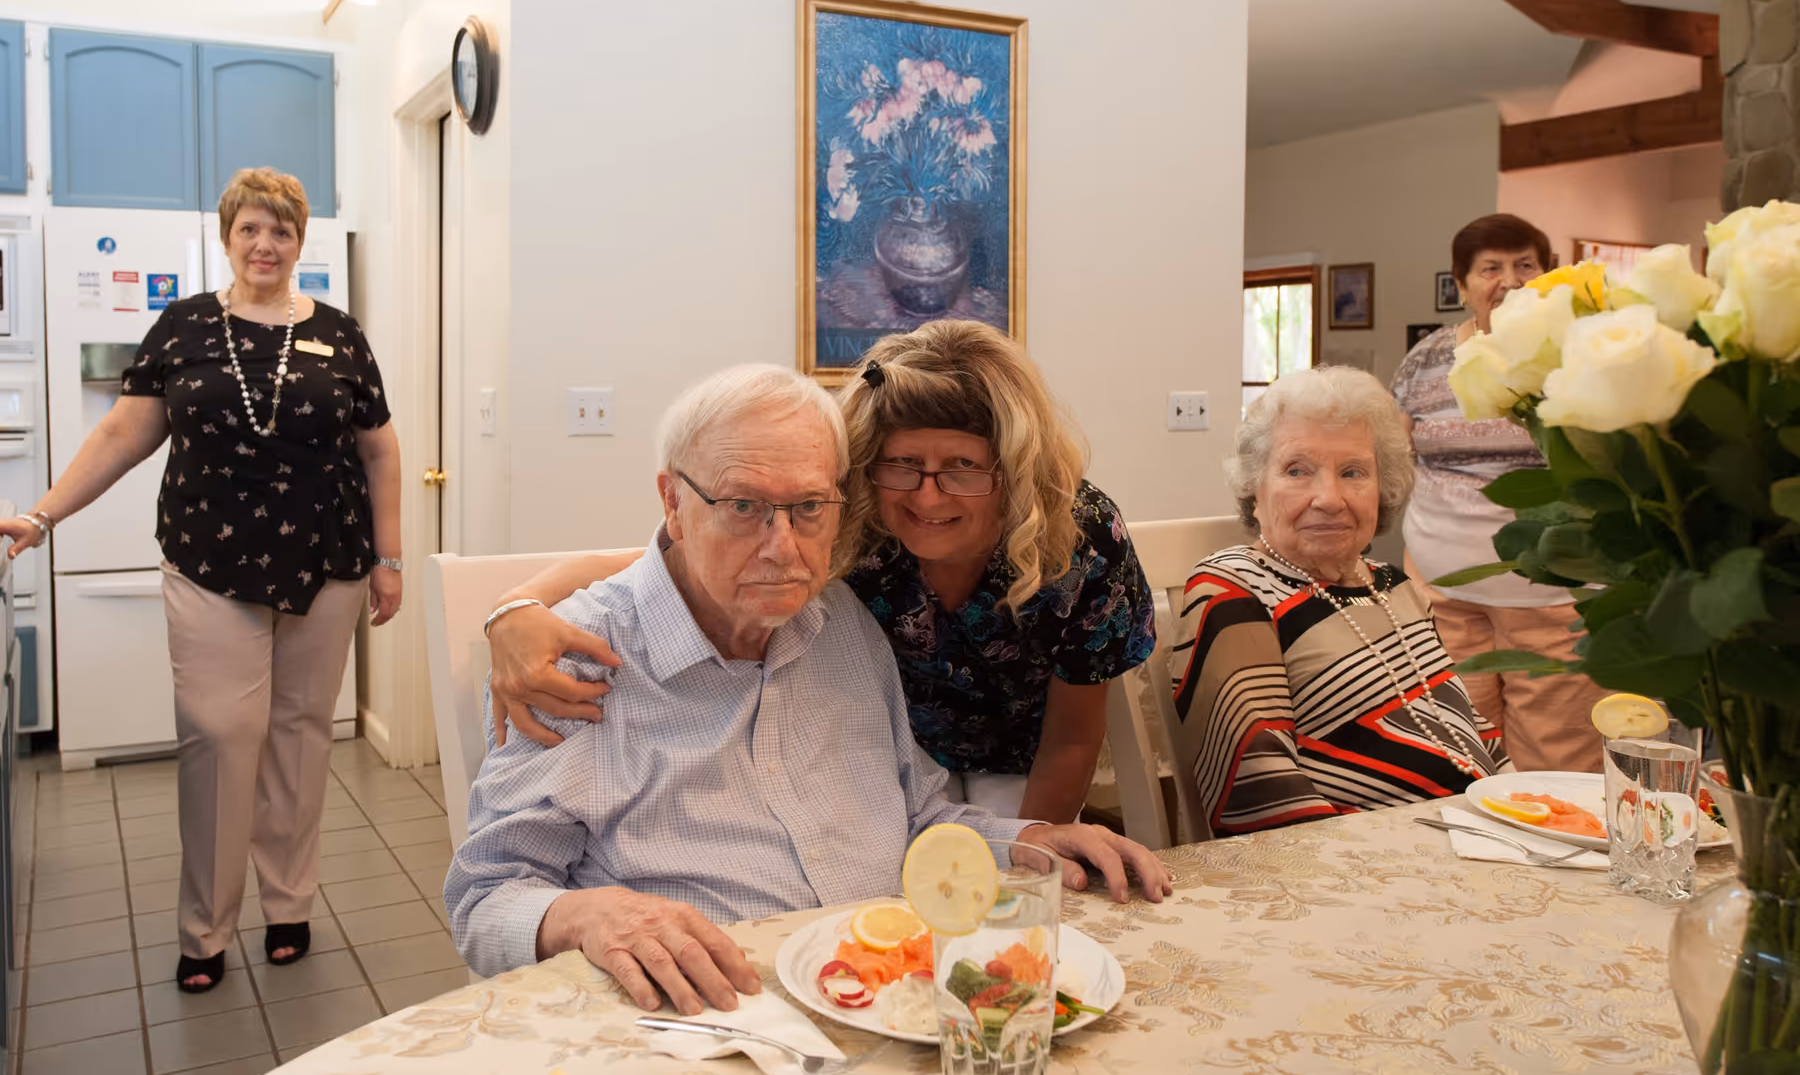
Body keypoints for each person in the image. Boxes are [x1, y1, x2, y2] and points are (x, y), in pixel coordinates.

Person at [444, 364, 1170, 1008]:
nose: (782, 548)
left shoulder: (844, 622)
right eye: (743, 506)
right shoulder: (575, 661)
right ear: (672, 501)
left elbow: (918, 820)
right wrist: (589, 916)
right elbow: (485, 897)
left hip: (886, 1001)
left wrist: (1036, 840)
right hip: (702, 1020)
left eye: (807, 509)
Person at [0, 168, 403, 993]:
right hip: (211, 562)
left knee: (302, 738)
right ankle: (205, 926)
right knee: (218, 738)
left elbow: (379, 448)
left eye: (281, 231)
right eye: (250, 229)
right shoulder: (185, 326)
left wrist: (390, 557)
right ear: (227, 236)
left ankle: (289, 902)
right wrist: (41, 516)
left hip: (328, 564)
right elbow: (122, 437)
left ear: (300, 242)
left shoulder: (341, 334)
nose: (265, 245)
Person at [484, 321, 1155, 824]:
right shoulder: (855, 517)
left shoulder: (1078, 537)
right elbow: (682, 560)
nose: (926, 496)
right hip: (878, 764)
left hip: (1024, 761)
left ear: (1012, 469)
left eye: (961, 467)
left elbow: (1071, 738)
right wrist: (517, 608)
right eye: (903, 465)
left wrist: (1026, 860)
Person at [1170, 366, 1508, 836]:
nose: (1328, 498)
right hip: (1368, 868)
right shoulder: (1235, 589)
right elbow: (1260, 795)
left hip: (1479, 840)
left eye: (1353, 472)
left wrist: (1521, 806)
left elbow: (1469, 731)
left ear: (1381, 487)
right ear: (1254, 485)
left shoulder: (1391, 586)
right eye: (1297, 470)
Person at [1390, 214, 1604, 773]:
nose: (1509, 279)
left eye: (1525, 265)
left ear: (1547, 276)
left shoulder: (1579, 353)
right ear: (1462, 286)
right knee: (1458, 755)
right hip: (1441, 596)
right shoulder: (1426, 359)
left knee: (1556, 761)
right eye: (1490, 268)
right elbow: (1391, 455)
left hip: (1554, 600)